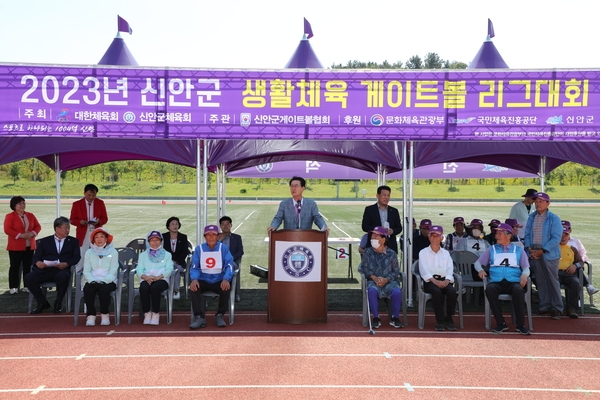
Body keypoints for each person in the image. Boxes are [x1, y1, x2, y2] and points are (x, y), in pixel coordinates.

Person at [474, 223, 531, 335]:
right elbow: (477, 263)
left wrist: (524, 275)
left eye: (500, 233)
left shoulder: (519, 250)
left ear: (509, 235)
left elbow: (526, 268)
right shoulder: (492, 249)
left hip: (513, 281)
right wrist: (480, 270)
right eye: (496, 233)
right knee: (490, 290)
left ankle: (520, 325)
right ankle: (501, 323)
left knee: (518, 291)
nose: (497, 236)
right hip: (497, 281)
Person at [25, 216, 81, 314]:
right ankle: (42, 302)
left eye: (68, 228)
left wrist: (66, 263)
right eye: (65, 228)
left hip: (61, 270)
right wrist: (38, 263)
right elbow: (36, 257)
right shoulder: (44, 241)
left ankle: (58, 303)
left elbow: (76, 257)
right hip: (45, 270)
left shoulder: (73, 242)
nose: (67, 230)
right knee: (29, 278)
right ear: (57, 229)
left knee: (64, 276)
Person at [524, 192, 563, 320]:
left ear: (548, 203)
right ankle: (544, 306)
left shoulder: (554, 218)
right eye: (536, 201)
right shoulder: (532, 217)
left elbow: (556, 238)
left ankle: (557, 308)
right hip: (534, 253)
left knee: (552, 281)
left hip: (549, 255)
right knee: (540, 281)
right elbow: (528, 234)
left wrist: (543, 250)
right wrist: (529, 248)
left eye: (541, 201)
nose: (538, 203)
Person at [189, 225, 235, 329]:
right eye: (208, 235)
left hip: (219, 279)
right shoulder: (199, 249)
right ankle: (199, 317)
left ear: (218, 236)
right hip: (203, 279)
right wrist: (194, 279)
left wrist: (226, 278)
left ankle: (220, 315)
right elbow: (194, 266)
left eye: (213, 234)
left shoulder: (223, 248)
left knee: (226, 286)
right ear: (204, 236)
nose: (211, 237)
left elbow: (229, 265)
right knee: (193, 287)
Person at [358, 226, 403, 328]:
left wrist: (386, 279)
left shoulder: (391, 254)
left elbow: (396, 271)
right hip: (373, 281)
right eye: (372, 237)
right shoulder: (368, 252)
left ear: (383, 240)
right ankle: (376, 318)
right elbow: (364, 268)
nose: (373, 239)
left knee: (397, 291)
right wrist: (374, 277)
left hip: (389, 282)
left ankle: (395, 318)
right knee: (372, 291)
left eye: (376, 237)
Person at [418, 225, 458, 331]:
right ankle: (440, 321)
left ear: (441, 238)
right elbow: (424, 270)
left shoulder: (446, 253)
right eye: (432, 235)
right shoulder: (423, 252)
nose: (434, 238)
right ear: (429, 237)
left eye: (437, 236)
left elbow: (450, 269)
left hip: (444, 280)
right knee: (436, 292)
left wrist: (447, 280)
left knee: (452, 292)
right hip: (430, 282)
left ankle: (449, 319)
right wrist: (435, 281)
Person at [4, 196, 42, 294]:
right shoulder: (10, 216)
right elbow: (7, 229)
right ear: (14, 206)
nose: (22, 205)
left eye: (23, 203)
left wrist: (32, 233)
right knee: (15, 267)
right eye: (19, 203)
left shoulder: (30, 215)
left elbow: (38, 226)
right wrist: (21, 235)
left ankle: (27, 286)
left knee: (28, 266)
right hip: (15, 246)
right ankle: (13, 287)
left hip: (29, 245)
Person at [82, 228, 119, 326]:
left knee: (104, 291)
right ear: (93, 240)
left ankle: (105, 314)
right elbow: (86, 270)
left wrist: (104, 281)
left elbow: (113, 270)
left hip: (109, 281)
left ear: (106, 239)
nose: (99, 239)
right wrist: (92, 281)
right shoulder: (89, 252)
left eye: (102, 236)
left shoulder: (113, 252)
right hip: (92, 280)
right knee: (88, 290)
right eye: (96, 237)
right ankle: (91, 315)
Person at [136, 231, 173, 325]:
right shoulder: (143, 255)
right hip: (146, 278)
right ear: (148, 242)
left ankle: (156, 313)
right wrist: (145, 277)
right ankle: (147, 313)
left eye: (157, 240)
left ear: (161, 241)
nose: (155, 242)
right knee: (144, 288)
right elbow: (139, 269)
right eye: (152, 240)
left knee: (155, 288)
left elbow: (169, 269)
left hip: (161, 279)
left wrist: (158, 277)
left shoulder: (167, 254)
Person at [69, 184, 109, 270]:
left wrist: (99, 221)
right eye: (89, 195)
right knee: (81, 256)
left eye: (93, 195)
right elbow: (72, 219)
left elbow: (105, 218)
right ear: (84, 193)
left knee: (97, 255)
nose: (91, 197)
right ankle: (79, 279)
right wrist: (80, 222)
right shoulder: (77, 204)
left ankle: (97, 277)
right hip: (83, 233)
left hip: (96, 232)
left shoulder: (100, 203)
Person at [361, 185, 402, 254]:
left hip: (390, 246)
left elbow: (399, 227)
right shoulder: (369, 210)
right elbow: (365, 226)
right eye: (384, 195)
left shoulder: (394, 211)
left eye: (388, 195)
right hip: (374, 246)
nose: (386, 198)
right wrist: (378, 230)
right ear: (377, 195)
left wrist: (392, 231)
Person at [562, 220, 599, 296]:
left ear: (570, 231)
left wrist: (576, 264)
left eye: (565, 234)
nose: (563, 237)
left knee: (579, 268)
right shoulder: (556, 242)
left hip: (576, 264)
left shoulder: (576, 241)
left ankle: (587, 287)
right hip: (563, 266)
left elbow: (583, 254)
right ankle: (588, 285)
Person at [162, 216, 191, 300]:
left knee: (176, 269)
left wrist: (176, 261)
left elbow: (185, 252)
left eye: (177, 224)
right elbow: (161, 251)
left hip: (180, 263)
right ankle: (168, 290)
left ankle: (175, 291)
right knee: (170, 269)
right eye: (172, 224)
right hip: (166, 263)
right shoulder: (163, 237)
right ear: (168, 226)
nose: (175, 226)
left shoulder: (183, 237)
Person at [558, 226, 584, 318]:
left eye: (566, 235)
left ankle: (572, 309)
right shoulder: (552, 248)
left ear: (569, 236)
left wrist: (575, 266)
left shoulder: (572, 249)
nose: (563, 237)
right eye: (561, 235)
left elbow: (581, 262)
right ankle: (556, 309)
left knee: (576, 283)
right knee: (553, 283)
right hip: (555, 273)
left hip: (569, 273)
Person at [218, 216, 244, 302]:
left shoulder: (237, 237)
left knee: (230, 267)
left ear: (231, 225)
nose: (225, 226)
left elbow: (240, 251)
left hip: (232, 261)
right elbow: (210, 250)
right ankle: (217, 292)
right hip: (218, 262)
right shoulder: (215, 237)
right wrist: (218, 241)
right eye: (223, 224)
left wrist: (229, 258)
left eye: (227, 224)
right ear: (220, 226)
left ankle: (234, 293)